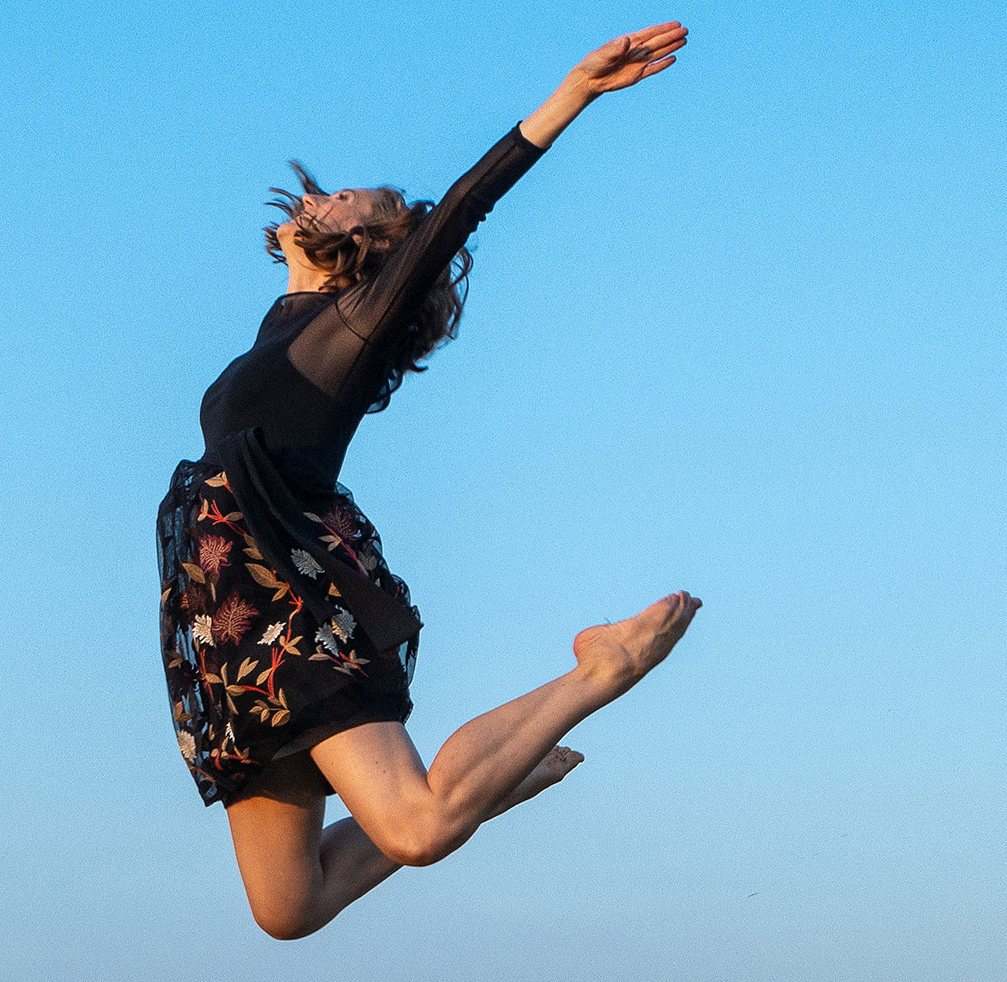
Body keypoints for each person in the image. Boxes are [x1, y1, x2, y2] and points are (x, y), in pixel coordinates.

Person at [156, 22, 702, 939]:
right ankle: (489, 783)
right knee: (288, 910)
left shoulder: (350, 328)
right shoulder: (284, 321)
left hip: (286, 606)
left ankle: (600, 669)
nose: (322, 196)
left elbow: (457, 210)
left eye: (346, 200)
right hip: (226, 624)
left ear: (369, 253)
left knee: (415, 828)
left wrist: (570, 94)